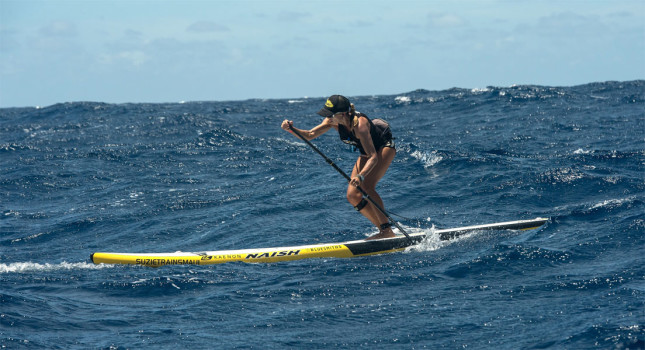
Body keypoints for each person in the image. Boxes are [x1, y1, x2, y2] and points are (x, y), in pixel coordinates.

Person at [281, 95, 397, 240]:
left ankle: (387, 231)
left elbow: (373, 156)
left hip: (382, 148)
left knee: (366, 186)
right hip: (366, 153)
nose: (327, 117)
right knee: (352, 195)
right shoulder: (332, 122)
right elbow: (310, 135)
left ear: (342, 114)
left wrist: (360, 176)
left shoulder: (360, 126)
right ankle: (383, 231)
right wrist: (291, 129)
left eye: (330, 114)